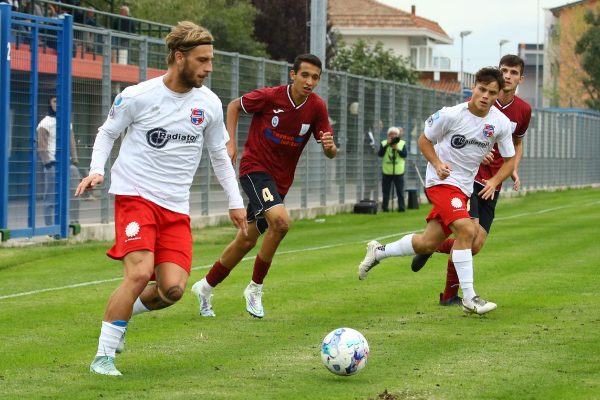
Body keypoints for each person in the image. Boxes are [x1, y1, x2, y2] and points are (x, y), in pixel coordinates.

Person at [75, 21, 247, 376]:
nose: (209, 67)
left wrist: (235, 201)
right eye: (202, 60)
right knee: (139, 274)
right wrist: (97, 170)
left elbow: (219, 155)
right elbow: (107, 133)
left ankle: (121, 317)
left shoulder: (209, 104)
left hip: (175, 207)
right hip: (134, 195)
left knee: (172, 290)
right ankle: (103, 355)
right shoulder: (138, 96)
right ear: (179, 57)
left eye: (211, 60)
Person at [357, 67, 515, 316]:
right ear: (474, 88)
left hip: (463, 188)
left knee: (426, 243)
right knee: (467, 229)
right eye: (482, 89)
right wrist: (438, 164)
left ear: (498, 95)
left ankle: (379, 252)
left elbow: (509, 160)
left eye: (491, 92)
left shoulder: (500, 123)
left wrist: (495, 180)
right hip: (440, 183)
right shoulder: (451, 115)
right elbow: (423, 140)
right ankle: (470, 297)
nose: (485, 95)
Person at [191, 53, 337, 319]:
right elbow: (234, 105)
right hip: (254, 169)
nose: (309, 81)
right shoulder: (270, 97)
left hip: (280, 182)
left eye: (315, 77)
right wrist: (230, 142)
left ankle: (205, 286)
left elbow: (330, 150)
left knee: (246, 239)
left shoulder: (316, 107)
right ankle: (255, 288)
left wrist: (330, 148)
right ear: (293, 75)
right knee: (280, 223)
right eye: (305, 75)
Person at [411, 55, 532, 306]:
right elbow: (466, 130)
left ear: (521, 78)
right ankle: (453, 296)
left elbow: (517, 143)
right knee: (468, 232)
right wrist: (478, 151)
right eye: (504, 70)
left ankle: (430, 247)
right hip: (468, 178)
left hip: (493, 182)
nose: (508, 75)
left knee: (475, 245)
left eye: (513, 72)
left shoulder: (523, 110)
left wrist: (512, 169)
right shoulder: (479, 100)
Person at [37, 95, 82, 225]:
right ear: (50, 103)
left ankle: (74, 223)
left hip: (68, 165)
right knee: (51, 197)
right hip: (52, 165)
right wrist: (48, 165)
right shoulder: (44, 123)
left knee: (74, 195)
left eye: (59, 101)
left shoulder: (66, 121)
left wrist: (75, 161)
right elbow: (42, 147)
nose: (57, 104)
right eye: (54, 101)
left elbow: (71, 142)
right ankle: (50, 227)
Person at [378, 126, 407, 212]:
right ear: (388, 135)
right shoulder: (384, 143)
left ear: (398, 135)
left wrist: (397, 149)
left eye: (395, 134)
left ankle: (401, 208)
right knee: (386, 191)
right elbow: (380, 154)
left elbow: (404, 155)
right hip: (387, 171)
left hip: (398, 171)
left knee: (400, 191)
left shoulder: (402, 143)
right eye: (391, 134)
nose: (393, 136)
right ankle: (385, 208)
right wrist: (387, 144)